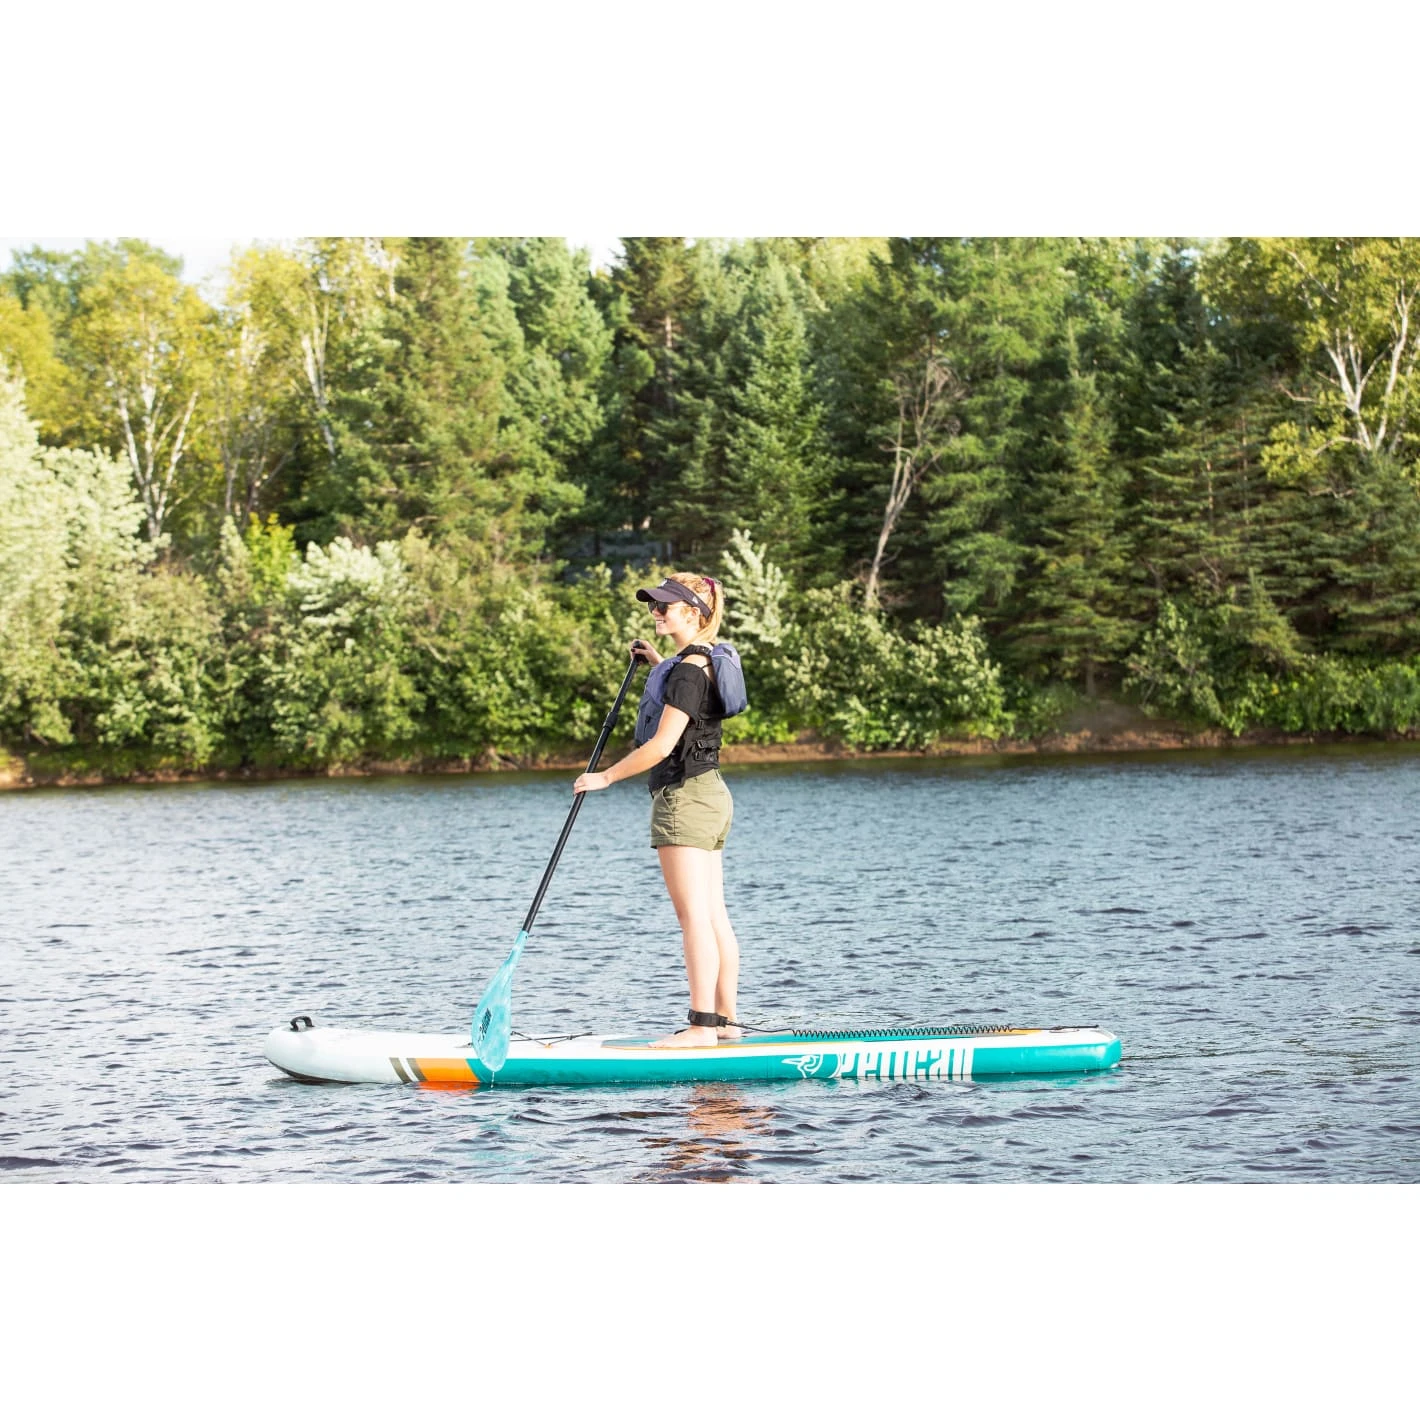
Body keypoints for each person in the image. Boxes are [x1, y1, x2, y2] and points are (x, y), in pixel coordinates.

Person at [573, 573, 741, 1048]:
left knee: (694, 919)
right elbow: (689, 692)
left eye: (665, 606)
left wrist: (605, 777)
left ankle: (701, 1028)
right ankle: (726, 1022)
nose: (656, 612)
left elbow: (662, 745)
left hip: (683, 799)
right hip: (711, 794)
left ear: (692, 613)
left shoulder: (686, 672)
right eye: (653, 605)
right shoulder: (706, 659)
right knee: (714, 915)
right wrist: (657, 661)